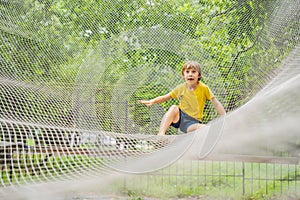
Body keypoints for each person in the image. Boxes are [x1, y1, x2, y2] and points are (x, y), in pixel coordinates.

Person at [138, 61, 226, 135]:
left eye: (193, 72)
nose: (190, 74)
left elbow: (216, 102)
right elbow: (166, 97)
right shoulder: (181, 88)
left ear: (199, 75)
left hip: (192, 122)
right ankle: (161, 133)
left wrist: (225, 117)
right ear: (183, 75)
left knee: (205, 128)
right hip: (180, 117)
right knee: (173, 108)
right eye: (187, 72)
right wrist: (152, 101)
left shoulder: (204, 88)